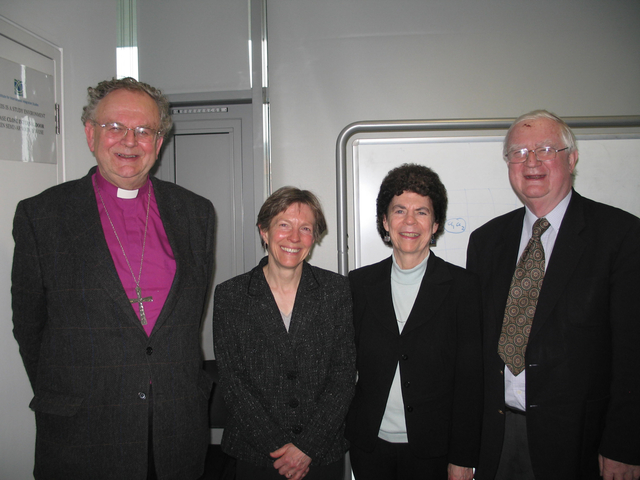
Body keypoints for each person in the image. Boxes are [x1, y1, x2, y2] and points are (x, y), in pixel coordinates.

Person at [11, 77, 216, 480]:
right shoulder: (43, 216)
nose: (130, 140)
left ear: (159, 143)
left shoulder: (195, 213)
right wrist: (69, 392)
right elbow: (30, 327)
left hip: (175, 431)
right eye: (114, 127)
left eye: (144, 130)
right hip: (82, 431)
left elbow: (189, 318)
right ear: (91, 134)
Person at [466, 110, 640, 480]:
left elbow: (633, 352)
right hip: (497, 436)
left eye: (545, 149)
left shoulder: (621, 236)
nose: (530, 162)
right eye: (518, 152)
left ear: (572, 158)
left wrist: (625, 444)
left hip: (581, 442)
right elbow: (477, 349)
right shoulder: (486, 241)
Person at [346, 163, 483, 480]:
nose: (410, 222)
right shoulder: (358, 285)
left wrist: (464, 458)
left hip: (434, 450)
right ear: (384, 221)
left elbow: (470, 381)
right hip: (369, 447)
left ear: (435, 224)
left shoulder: (463, 288)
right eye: (399, 211)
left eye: (422, 212)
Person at [213, 187, 356, 480]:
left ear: (314, 237)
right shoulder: (231, 296)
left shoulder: (336, 292)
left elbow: (343, 376)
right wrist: (278, 447)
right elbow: (233, 382)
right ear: (263, 231)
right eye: (283, 225)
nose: (294, 237)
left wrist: (306, 446)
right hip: (256, 455)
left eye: (305, 228)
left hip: (320, 456)